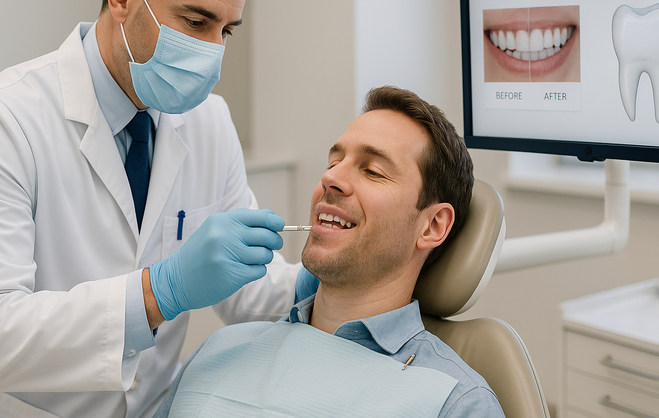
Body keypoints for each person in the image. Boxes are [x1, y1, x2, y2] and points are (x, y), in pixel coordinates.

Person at [0, 0, 317, 417]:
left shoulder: (209, 122)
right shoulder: (3, 121)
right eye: (196, 23)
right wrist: (158, 292)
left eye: (226, 31)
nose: (213, 53)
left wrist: (334, 270)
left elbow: (248, 292)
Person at [153, 86, 506, 418]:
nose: (331, 179)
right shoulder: (218, 350)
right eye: (333, 163)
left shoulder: (456, 401)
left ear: (432, 226)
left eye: (372, 171)